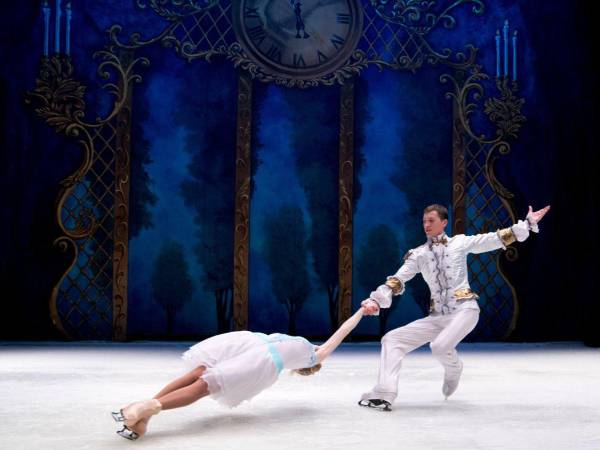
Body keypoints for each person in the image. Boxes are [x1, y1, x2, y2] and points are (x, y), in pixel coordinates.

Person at [358, 204, 551, 411]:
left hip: (465, 310)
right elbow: (398, 279)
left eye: (431, 220)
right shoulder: (418, 254)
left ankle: (454, 368)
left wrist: (528, 224)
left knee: (439, 346)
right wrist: (377, 300)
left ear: (444, 222)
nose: (426, 225)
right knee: (392, 339)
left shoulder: (459, 243)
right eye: (424, 221)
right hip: (438, 316)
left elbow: (492, 239)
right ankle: (384, 393)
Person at [111, 306, 367, 440]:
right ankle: (144, 415)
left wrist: (363, 311)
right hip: (248, 343)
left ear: (306, 367)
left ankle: (147, 408)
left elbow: (342, 331)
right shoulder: (304, 351)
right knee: (200, 372)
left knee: (204, 383)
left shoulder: (315, 355)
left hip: (259, 359)